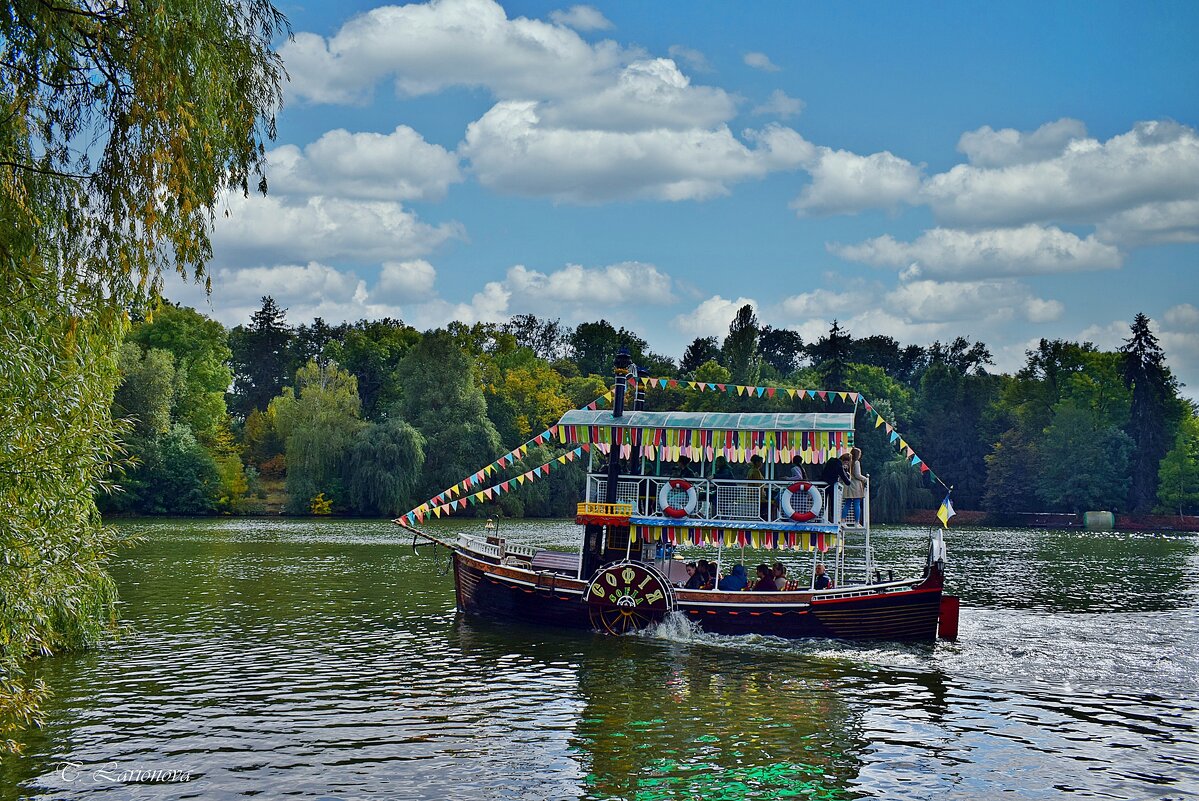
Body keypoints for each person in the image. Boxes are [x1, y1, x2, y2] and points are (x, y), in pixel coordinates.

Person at [844, 447, 867, 524]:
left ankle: (843, 521)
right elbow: (857, 475)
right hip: (855, 485)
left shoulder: (848, 462)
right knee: (857, 504)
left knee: (847, 504)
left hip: (848, 484)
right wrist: (865, 479)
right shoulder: (856, 462)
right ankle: (857, 522)